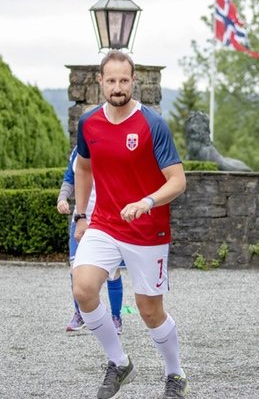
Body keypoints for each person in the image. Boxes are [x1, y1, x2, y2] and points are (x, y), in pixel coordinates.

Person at [71, 50, 188, 399]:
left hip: (147, 230)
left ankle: (175, 375)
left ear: (133, 81)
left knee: (149, 311)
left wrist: (147, 201)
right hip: (105, 224)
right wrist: (81, 214)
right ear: (100, 81)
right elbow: (83, 167)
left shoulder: (152, 124)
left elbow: (177, 180)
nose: (118, 87)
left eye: (124, 80)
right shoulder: (89, 124)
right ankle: (119, 363)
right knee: (83, 288)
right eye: (111, 80)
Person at [57, 147, 125, 334]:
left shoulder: (111, 146)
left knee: (113, 271)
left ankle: (116, 317)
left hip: (107, 221)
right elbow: (69, 179)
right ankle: (80, 314)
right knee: (75, 270)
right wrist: (62, 198)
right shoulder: (77, 151)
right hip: (79, 221)